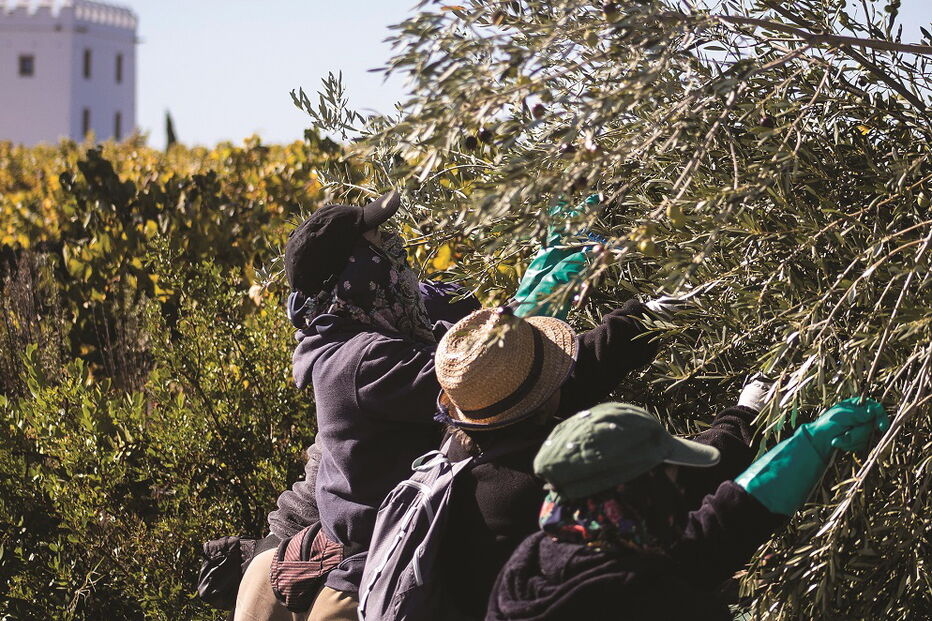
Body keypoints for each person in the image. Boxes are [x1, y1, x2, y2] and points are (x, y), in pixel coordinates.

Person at [233, 191, 586, 621]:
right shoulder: (363, 361)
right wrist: (560, 308)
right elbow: (483, 377)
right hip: (383, 552)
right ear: (357, 272)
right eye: (379, 243)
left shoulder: (354, 333)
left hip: (376, 538)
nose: (395, 251)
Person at [486, 397, 888, 621]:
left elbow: (708, 536)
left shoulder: (533, 560)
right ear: (640, 491)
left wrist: (810, 445)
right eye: (672, 478)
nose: (680, 490)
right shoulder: (654, 601)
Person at [426, 297, 671, 620]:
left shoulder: (465, 443)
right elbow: (676, 483)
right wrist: (736, 422)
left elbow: (577, 376)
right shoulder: (544, 480)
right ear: (540, 404)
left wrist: (641, 319)